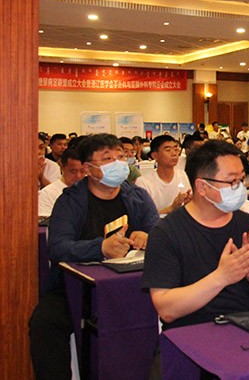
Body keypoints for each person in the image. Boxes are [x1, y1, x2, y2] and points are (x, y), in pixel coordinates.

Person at [29, 133, 159, 380]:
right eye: (107, 159)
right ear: (89, 169)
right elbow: (57, 247)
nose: (118, 163)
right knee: (44, 323)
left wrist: (148, 235)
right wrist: (101, 248)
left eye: (120, 156)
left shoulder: (138, 196)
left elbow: (160, 232)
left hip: (133, 286)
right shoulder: (70, 201)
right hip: (76, 288)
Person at [142, 140, 249, 332]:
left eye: (241, 180)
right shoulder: (166, 232)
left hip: (244, 329)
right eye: (232, 181)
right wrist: (222, 277)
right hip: (189, 333)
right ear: (202, 187)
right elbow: (167, 309)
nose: (239, 188)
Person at [136, 135, 192, 217]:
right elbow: (143, 218)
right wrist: (172, 208)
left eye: (176, 149)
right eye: (168, 150)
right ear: (155, 156)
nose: (174, 154)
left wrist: (188, 204)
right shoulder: (143, 183)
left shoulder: (182, 175)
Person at [38, 147, 86, 218]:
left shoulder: (92, 190)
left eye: (82, 171)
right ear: (62, 167)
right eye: (73, 171)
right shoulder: (48, 194)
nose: (78, 176)